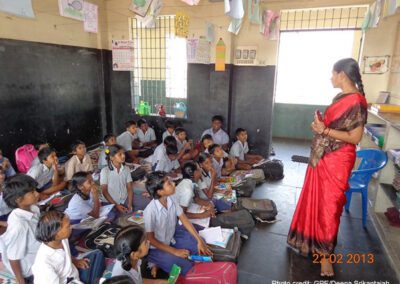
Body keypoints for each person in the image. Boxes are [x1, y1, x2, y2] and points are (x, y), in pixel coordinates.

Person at [287, 58, 368, 277]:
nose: (331, 77)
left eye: (333, 73)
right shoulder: (340, 97)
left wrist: (324, 131)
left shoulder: (357, 101)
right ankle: (311, 241)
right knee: (316, 200)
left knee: (330, 207)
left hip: (338, 160)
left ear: (342, 74)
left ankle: (325, 257)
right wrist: (321, 126)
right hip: (324, 157)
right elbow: (335, 127)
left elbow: (354, 137)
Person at [143, 172, 212, 275]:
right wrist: (174, 251)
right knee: (184, 265)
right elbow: (151, 239)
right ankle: (155, 262)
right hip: (156, 248)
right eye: (169, 183)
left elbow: (184, 220)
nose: (174, 184)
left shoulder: (171, 199)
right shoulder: (150, 211)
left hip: (171, 237)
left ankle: (163, 262)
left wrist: (198, 240)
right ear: (160, 191)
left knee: (200, 243)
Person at [32, 211, 105, 284]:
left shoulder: (62, 239)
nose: (71, 227)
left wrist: (75, 261)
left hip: (73, 275)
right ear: (56, 234)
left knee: (98, 253)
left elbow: (65, 254)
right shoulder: (44, 265)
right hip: (69, 281)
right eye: (68, 226)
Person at [0, 174, 41, 283]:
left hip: (40, 256)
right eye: (32, 192)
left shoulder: (34, 208)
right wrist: (21, 281)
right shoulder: (19, 225)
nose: (37, 193)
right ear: (18, 199)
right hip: (30, 270)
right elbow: (13, 257)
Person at [174, 161, 215, 226]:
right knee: (208, 220)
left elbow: (196, 199)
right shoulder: (187, 190)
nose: (201, 170)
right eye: (199, 169)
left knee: (210, 208)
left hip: (187, 207)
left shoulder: (191, 182)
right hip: (177, 218)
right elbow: (181, 214)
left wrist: (208, 204)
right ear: (195, 173)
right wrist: (202, 215)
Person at [100, 145, 133, 215]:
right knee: (113, 216)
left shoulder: (126, 169)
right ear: (112, 158)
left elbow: (129, 188)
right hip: (110, 201)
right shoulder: (105, 171)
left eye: (123, 153)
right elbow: (104, 191)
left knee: (143, 203)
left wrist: (130, 203)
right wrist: (116, 205)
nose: (123, 156)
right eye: (120, 154)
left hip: (124, 199)